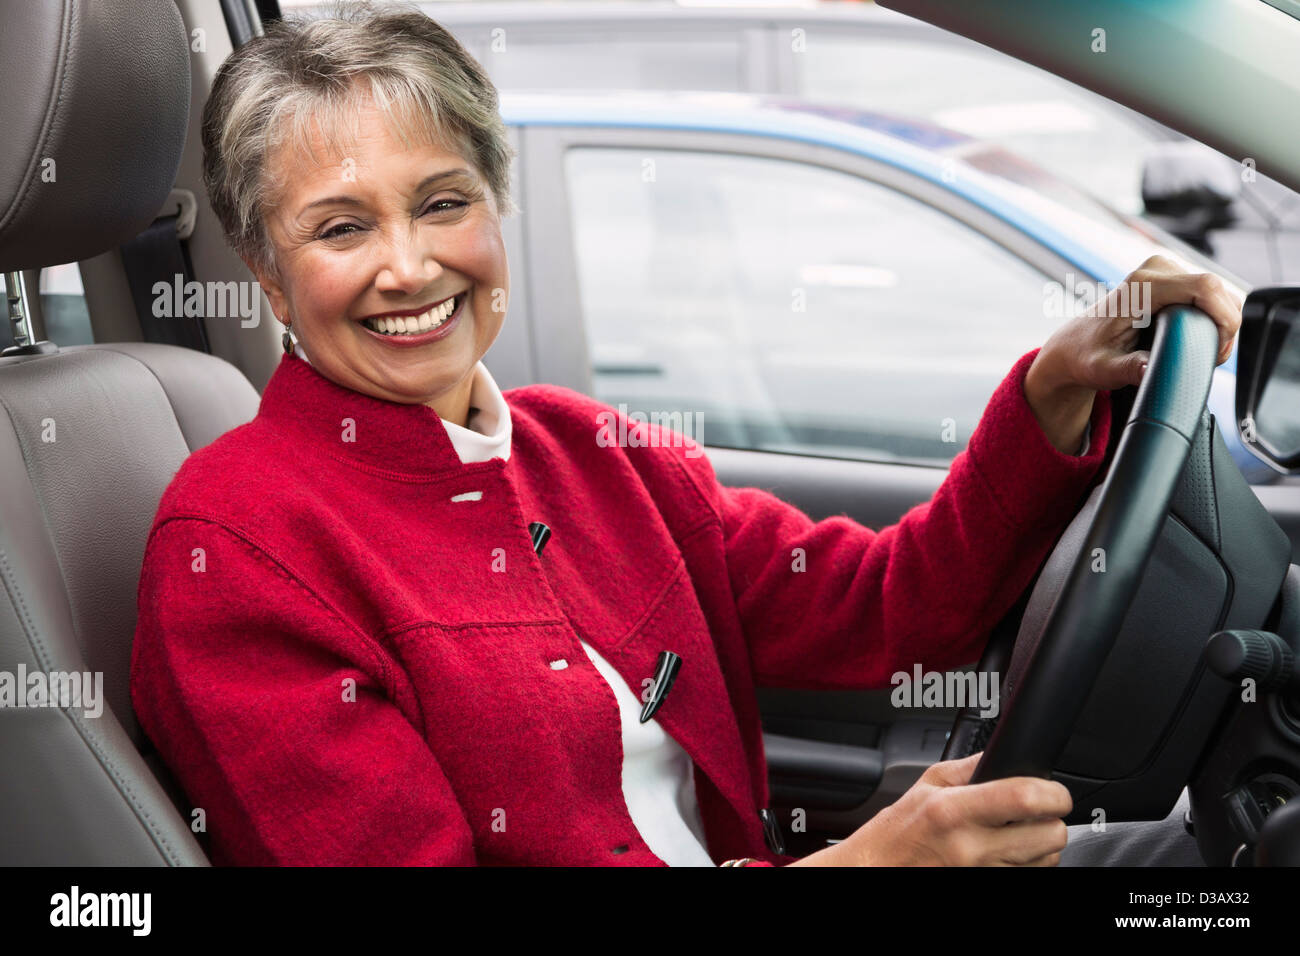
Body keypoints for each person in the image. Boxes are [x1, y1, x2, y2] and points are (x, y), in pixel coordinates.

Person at [129, 1, 1242, 866]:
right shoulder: (236, 554)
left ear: (494, 208)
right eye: (340, 227)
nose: (411, 265)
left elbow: (891, 610)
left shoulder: (591, 452)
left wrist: (1048, 388)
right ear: (268, 275)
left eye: (441, 201)